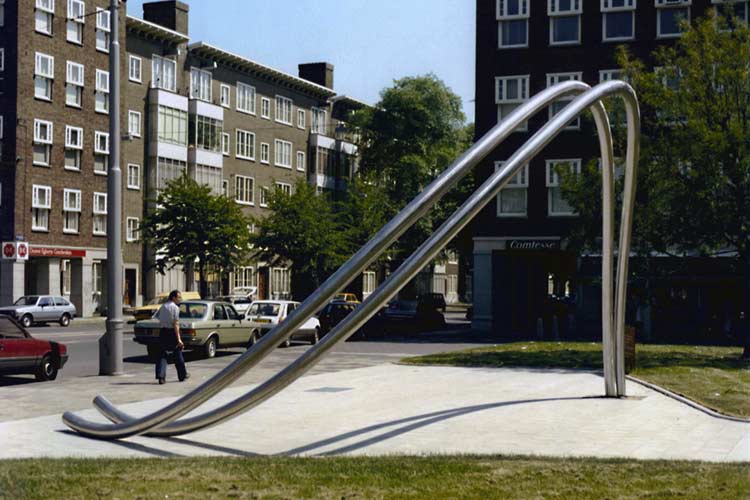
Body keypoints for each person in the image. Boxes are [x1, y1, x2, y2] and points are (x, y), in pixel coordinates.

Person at [155, 289, 190, 384]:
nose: (180, 299)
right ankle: (182, 375)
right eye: (179, 297)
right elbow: (176, 324)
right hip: (172, 332)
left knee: (162, 354)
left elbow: (159, 319)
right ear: (173, 297)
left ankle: (161, 376)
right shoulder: (175, 308)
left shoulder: (162, 306)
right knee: (177, 353)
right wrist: (179, 339)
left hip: (163, 332)